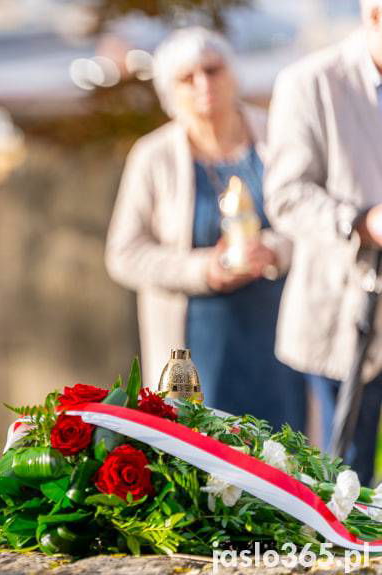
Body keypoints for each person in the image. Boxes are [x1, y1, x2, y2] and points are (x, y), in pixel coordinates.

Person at [105, 27, 305, 431]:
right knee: (206, 460)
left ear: (233, 74)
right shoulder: (152, 156)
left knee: (291, 458)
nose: (203, 84)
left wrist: (274, 250)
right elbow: (123, 255)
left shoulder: (279, 135)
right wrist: (203, 269)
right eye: (187, 77)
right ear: (167, 91)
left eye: (213, 70)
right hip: (198, 343)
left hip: (281, 332)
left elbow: (310, 220)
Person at [265, 0, 382, 485]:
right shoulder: (308, 82)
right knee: (344, 477)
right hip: (346, 311)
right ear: (373, 14)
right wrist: (362, 221)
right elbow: (285, 197)